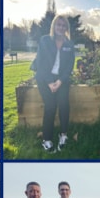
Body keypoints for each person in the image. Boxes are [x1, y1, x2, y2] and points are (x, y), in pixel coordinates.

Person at [34, 15, 75, 152]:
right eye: (59, 25)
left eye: (64, 26)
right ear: (54, 26)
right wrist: (50, 82)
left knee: (64, 104)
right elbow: (41, 63)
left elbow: (69, 66)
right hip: (44, 79)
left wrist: (60, 81)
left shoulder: (69, 44)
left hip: (61, 80)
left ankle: (63, 134)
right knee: (50, 106)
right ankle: (47, 139)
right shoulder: (45, 41)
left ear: (66, 28)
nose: (61, 28)